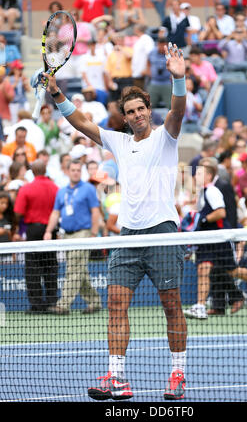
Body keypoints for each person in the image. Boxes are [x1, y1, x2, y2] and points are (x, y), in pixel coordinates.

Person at [42, 42, 187, 400]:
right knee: (116, 305)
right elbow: (79, 121)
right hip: (128, 236)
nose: (137, 114)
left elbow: (179, 112)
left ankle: (178, 372)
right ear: (124, 117)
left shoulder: (166, 138)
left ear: (149, 110)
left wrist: (178, 80)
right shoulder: (119, 142)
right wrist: (57, 93)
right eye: (131, 111)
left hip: (163, 233)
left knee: (171, 305)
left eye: (141, 109)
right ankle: (117, 378)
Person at [183, 164, 247, 320]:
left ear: (209, 176)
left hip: (219, 239)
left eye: (200, 173)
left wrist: (202, 219)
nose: (196, 176)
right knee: (203, 269)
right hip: (205, 240)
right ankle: (200, 306)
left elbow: (221, 212)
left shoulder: (213, 191)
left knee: (233, 270)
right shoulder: (202, 193)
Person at [44, 159, 102, 315]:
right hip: (66, 235)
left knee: (73, 269)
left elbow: (95, 212)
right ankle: (95, 301)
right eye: (73, 170)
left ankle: (63, 305)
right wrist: (48, 231)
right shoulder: (61, 191)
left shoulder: (88, 189)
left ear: (80, 172)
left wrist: (94, 234)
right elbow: (56, 213)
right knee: (79, 270)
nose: (76, 172)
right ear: (68, 171)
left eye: (78, 170)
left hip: (83, 233)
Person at [14, 160, 59, 313]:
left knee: (33, 269)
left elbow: (18, 212)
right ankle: (52, 303)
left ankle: (37, 305)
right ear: (45, 170)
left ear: (32, 171)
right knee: (51, 267)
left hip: (33, 231)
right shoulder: (55, 188)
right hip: (50, 231)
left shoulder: (26, 189)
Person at [146, 37, 172, 109]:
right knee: (149, 106)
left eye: (164, 46)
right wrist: (149, 72)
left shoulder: (170, 53)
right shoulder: (152, 52)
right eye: (160, 45)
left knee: (171, 106)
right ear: (158, 44)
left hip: (166, 82)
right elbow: (148, 62)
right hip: (154, 82)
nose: (162, 48)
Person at [131, 24, 155, 90]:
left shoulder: (146, 39)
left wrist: (147, 69)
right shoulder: (140, 39)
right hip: (137, 73)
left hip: (143, 73)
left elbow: (150, 54)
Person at [8, 59, 30, 125]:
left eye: (21, 69)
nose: (20, 71)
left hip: (23, 102)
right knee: (14, 121)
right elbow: (8, 90)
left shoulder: (23, 78)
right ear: (14, 69)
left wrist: (25, 83)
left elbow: (28, 90)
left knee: (25, 120)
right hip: (14, 103)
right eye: (18, 69)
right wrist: (16, 82)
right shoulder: (9, 78)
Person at [0, 65, 14, 129]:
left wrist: (4, 91)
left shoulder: (6, 84)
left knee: (6, 135)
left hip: (5, 116)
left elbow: (11, 98)